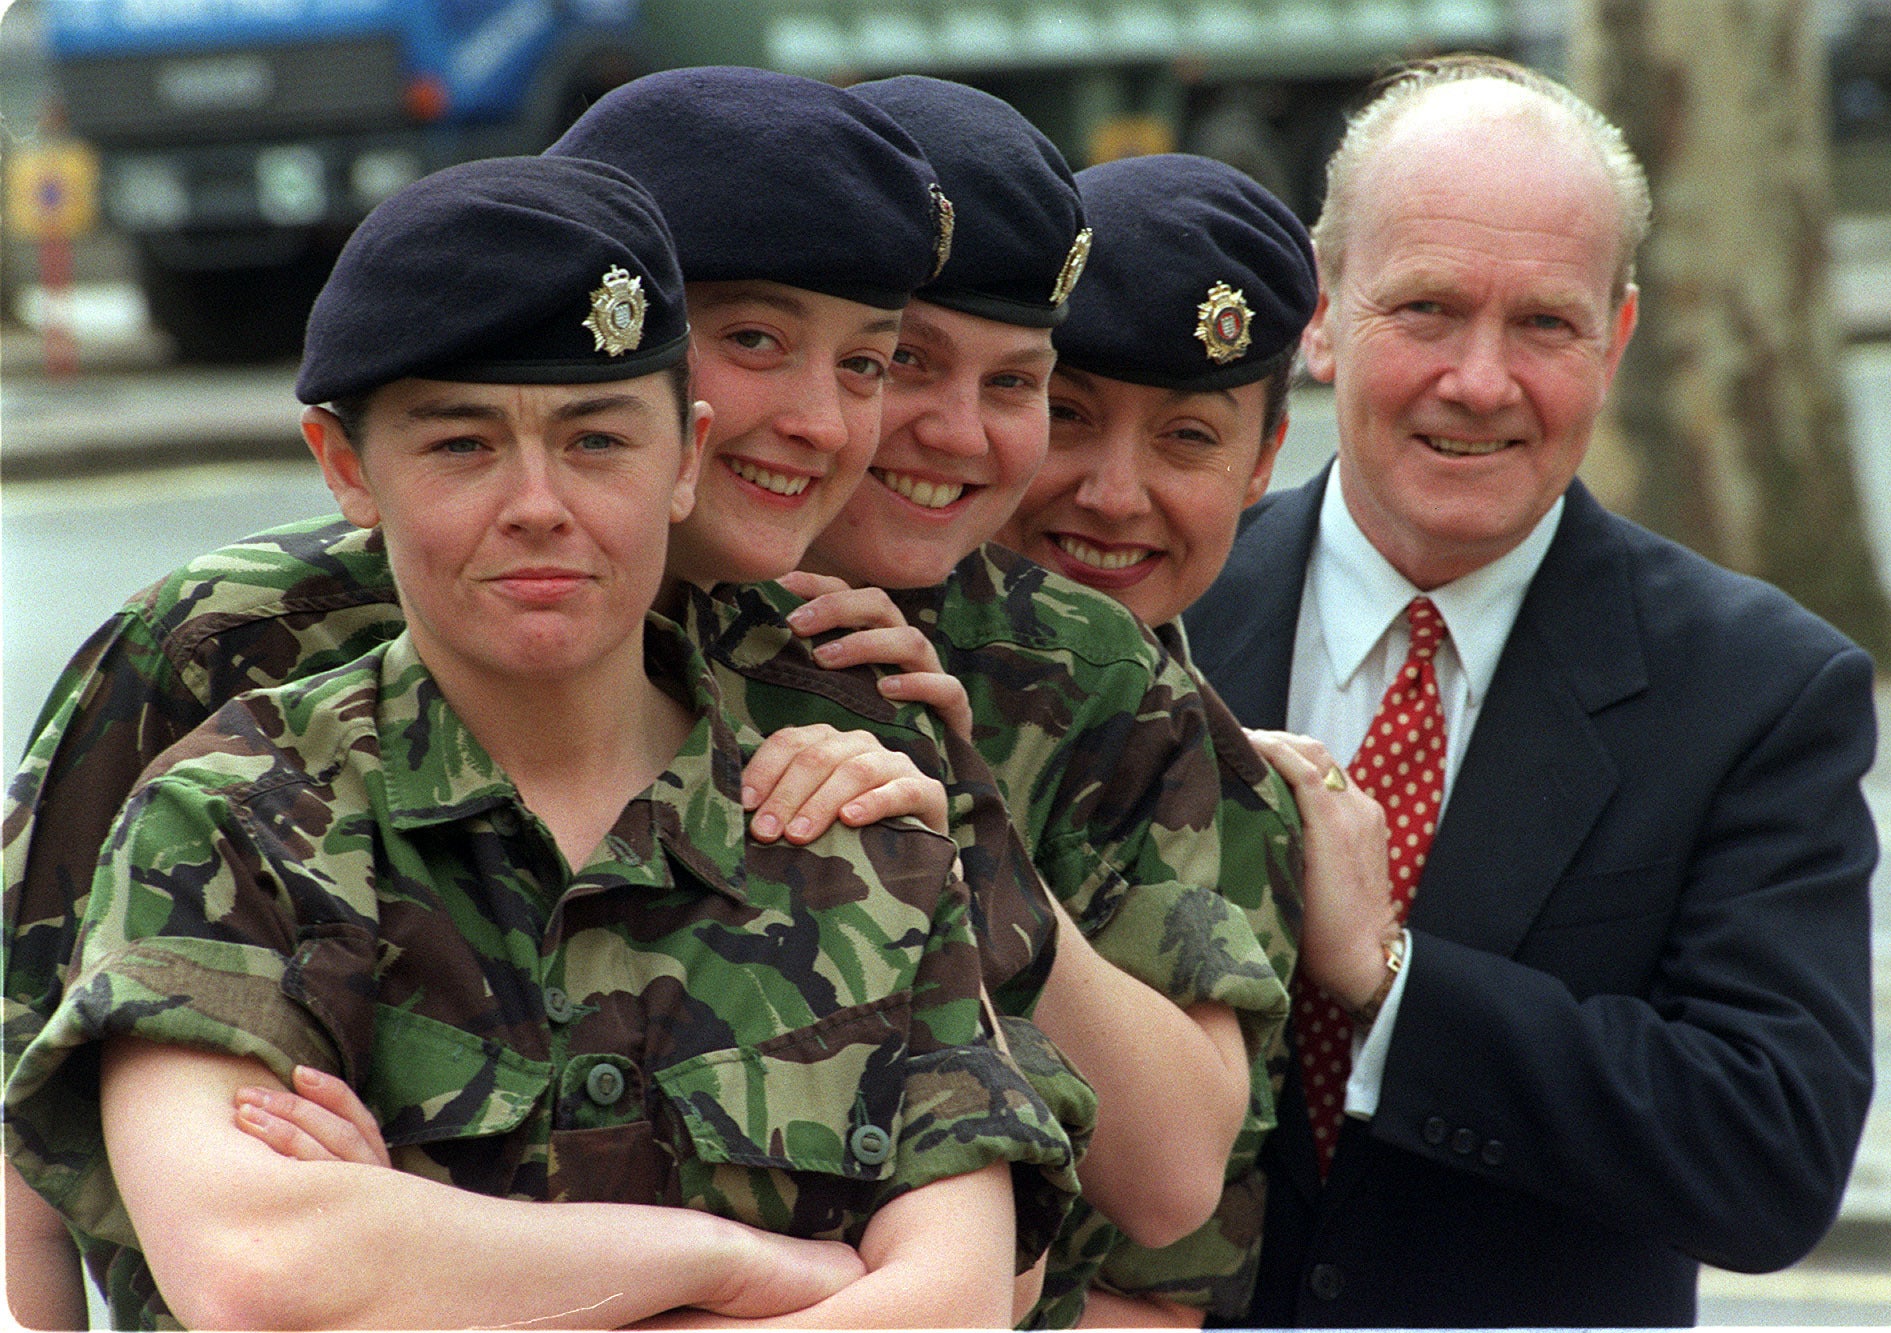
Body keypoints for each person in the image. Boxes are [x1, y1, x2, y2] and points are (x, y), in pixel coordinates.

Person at [3, 70, 1084, 1325]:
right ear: (356, 469)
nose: (815, 418)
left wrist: (417, 1245)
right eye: (755, 341)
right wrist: (736, 1270)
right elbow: (184, 1216)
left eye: (863, 362)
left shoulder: (840, 725)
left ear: (672, 447)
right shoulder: (233, 686)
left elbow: (978, 1278)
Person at [1178, 55, 1876, 1327]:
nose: (1480, 380)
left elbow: (1769, 1156)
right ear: (1323, 315)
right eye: (1428, 309)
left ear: (1611, 340)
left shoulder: (1759, 691)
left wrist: (1389, 978)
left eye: (1542, 323)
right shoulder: (1148, 620)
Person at [767, 82, 1297, 1327]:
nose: (954, 432)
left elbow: (1166, 1230)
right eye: (903, 364)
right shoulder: (488, 615)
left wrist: (964, 824)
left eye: (1013, 385)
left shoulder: (1121, 705)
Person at [996, 151, 1364, 1327]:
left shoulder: (1228, 799)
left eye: (1187, 440)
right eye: (1065, 415)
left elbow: (1155, 1291)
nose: (1113, 492)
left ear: (1263, 462)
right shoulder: (826, 654)